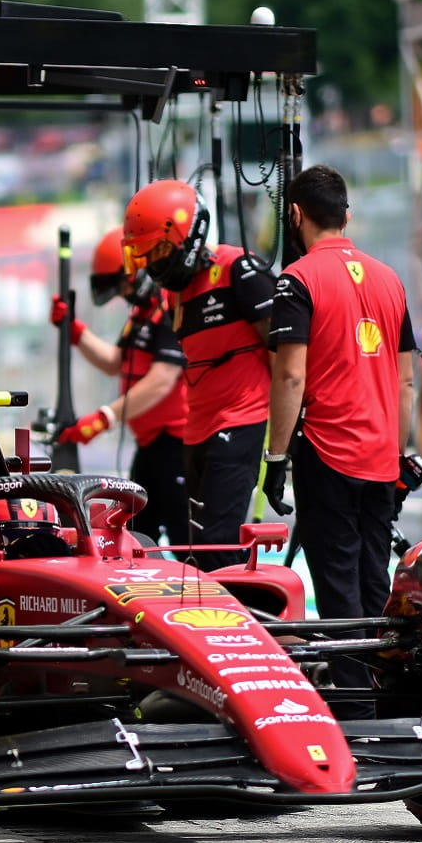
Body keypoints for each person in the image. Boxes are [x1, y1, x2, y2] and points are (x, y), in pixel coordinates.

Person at [259, 166, 415, 714]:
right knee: (376, 582)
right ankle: (389, 703)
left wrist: (276, 458)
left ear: (295, 215)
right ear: (346, 216)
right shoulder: (390, 279)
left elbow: (290, 376)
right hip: (380, 455)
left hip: (326, 451)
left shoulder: (297, 280)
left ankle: (353, 709)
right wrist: (398, 453)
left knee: (337, 584)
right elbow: (406, 379)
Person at [120, 179, 277, 568]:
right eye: (144, 255)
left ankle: (237, 627)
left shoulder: (239, 268)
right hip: (198, 429)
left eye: (158, 250)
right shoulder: (177, 294)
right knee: (194, 550)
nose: (153, 264)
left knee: (216, 547)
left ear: (187, 235)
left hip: (241, 421)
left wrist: (290, 437)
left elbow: (286, 355)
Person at [48, 228, 190, 544]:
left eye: (123, 285)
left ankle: (212, 590)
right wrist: (76, 331)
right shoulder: (140, 315)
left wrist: (104, 418)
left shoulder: (167, 308)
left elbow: (161, 380)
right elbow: (116, 362)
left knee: (186, 537)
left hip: (176, 444)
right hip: (150, 445)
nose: (124, 294)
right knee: (139, 534)